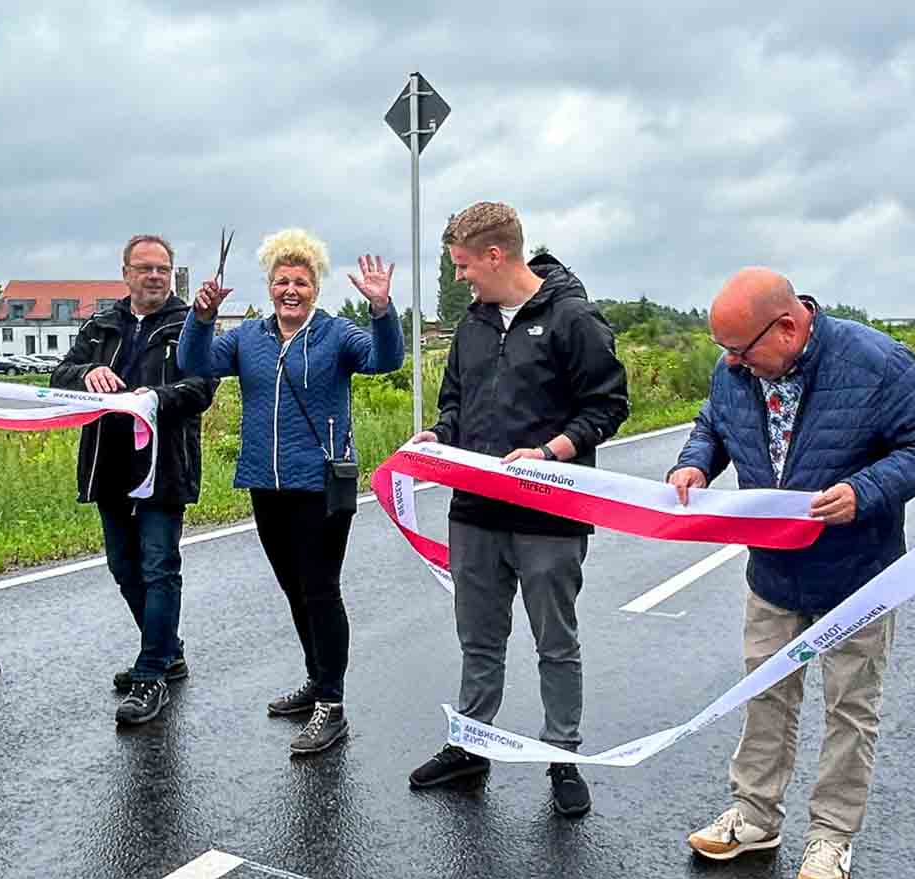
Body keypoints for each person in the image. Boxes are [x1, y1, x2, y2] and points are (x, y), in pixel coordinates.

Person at [670, 268, 915, 879]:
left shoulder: (877, 362)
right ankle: (754, 815)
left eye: (741, 351)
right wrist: (695, 464)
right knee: (765, 693)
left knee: (850, 709)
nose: (732, 364)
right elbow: (711, 425)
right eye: (726, 353)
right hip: (772, 572)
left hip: (858, 576)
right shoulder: (738, 369)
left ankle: (831, 837)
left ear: (788, 326)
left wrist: (866, 491)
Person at [406, 201, 629, 817]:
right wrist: (438, 434)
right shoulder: (474, 324)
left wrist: (553, 450)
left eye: (463, 265)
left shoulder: (573, 319)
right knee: (479, 638)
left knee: (555, 642)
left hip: (549, 515)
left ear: (496, 255)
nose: (459, 278)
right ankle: (471, 745)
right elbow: (457, 400)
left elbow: (608, 407)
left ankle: (563, 756)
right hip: (474, 510)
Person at [182, 229, 401, 755]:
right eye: (282, 280)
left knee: (321, 590)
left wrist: (381, 309)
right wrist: (202, 317)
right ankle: (316, 680)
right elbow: (195, 362)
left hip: (320, 485)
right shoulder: (249, 339)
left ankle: (333, 702)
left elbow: (384, 359)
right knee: (293, 589)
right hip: (266, 482)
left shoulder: (336, 335)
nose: (290, 289)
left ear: (315, 287)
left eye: (301, 281)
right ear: (269, 285)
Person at [51, 234, 218, 725]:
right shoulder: (101, 326)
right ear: (125, 273)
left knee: (158, 566)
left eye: (162, 269)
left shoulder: (189, 325)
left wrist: (154, 400)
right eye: (144, 268)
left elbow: (202, 386)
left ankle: (151, 675)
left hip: (164, 467)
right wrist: (87, 375)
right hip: (108, 464)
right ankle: (168, 649)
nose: (153, 276)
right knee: (124, 567)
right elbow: (58, 377)